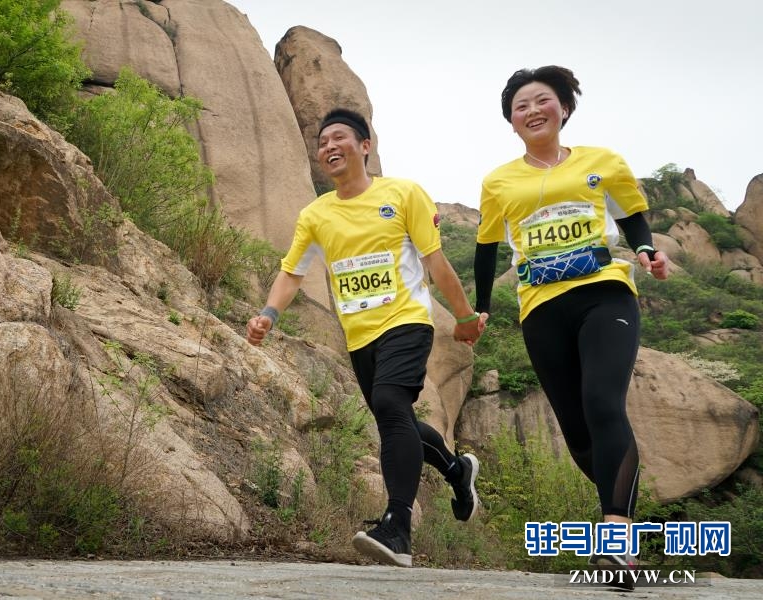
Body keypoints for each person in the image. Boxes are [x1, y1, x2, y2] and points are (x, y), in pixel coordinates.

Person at [247, 108, 487, 568]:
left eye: (339, 138)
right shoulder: (316, 214)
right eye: (322, 142)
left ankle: (397, 528)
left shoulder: (403, 193)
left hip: (406, 321)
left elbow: (435, 262)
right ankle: (458, 470)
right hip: (359, 337)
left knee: (391, 403)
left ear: (364, 146)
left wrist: (464, 317)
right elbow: (291, 272)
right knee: (394, 418)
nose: (329, 147)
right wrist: (267, 315)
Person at [473, 66, 669, 588]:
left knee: (603, 402)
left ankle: (617, 538)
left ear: (563, 108)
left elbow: (632, 217)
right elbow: (486, 248)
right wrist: (480, 306)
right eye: (520, 106)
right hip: (541, 307)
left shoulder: (602, 162)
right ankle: (620, 496)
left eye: (542, 100)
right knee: (579, 432)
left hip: (605, 293)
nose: (532, 110)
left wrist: (646, 250)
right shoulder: (498, 181)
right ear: (511, 121)